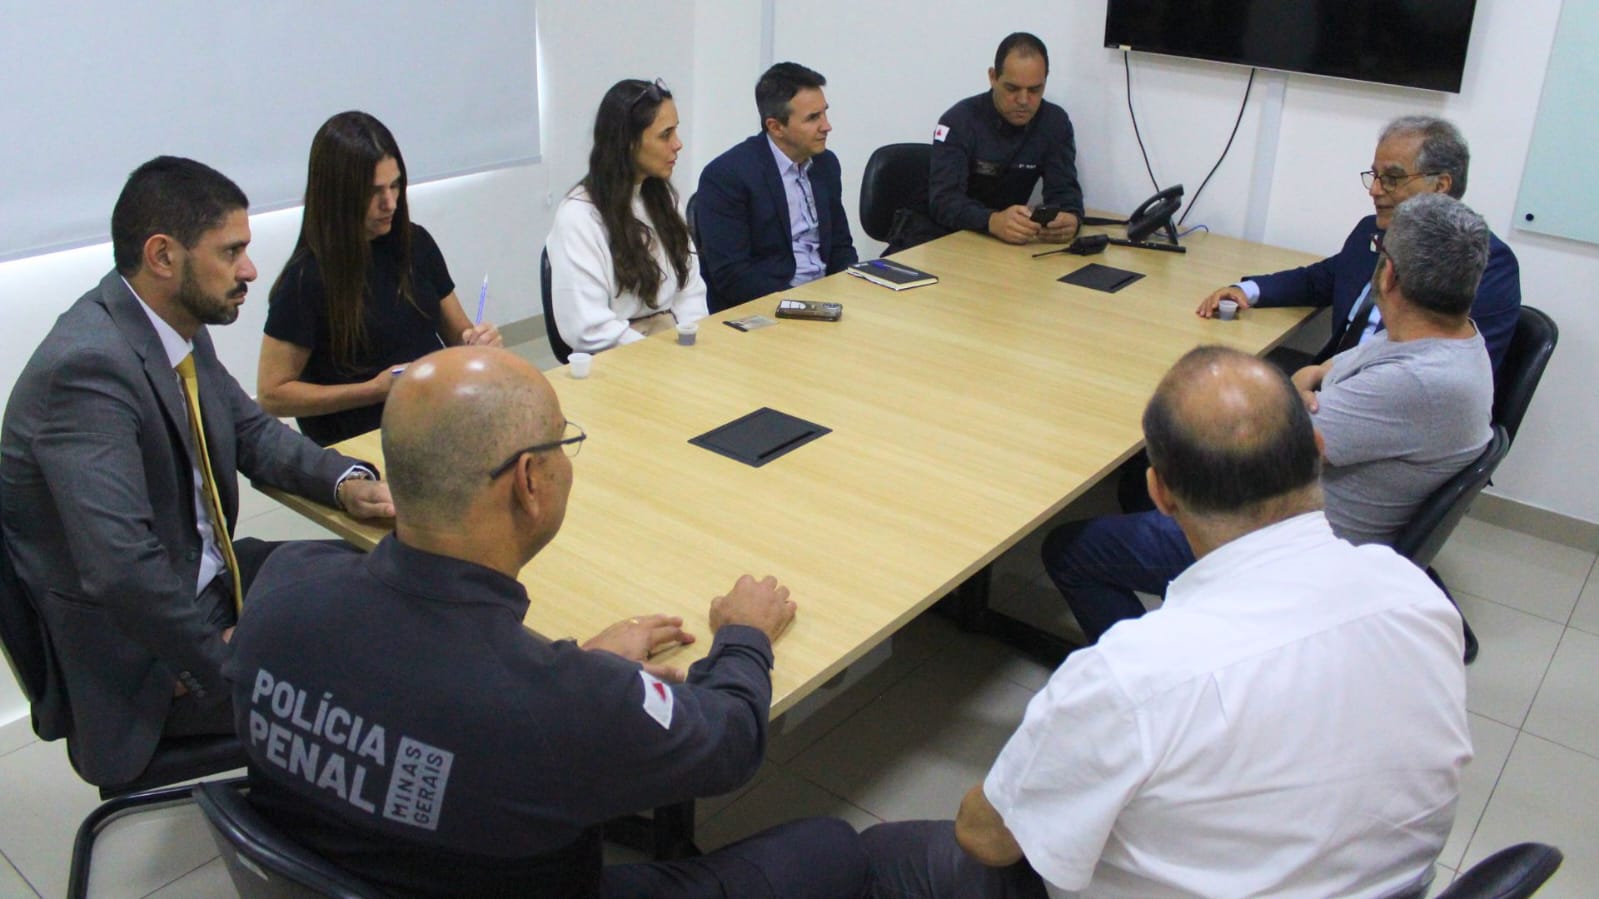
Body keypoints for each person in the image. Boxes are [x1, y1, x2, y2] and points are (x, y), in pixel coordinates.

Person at [226, 345, 868, 898]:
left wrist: (572, 666)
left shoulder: (282, 588)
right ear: (529, 482)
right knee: (833, 848)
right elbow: (733, 741)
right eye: (565, 444)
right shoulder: (563, 703)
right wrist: (744, 638)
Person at [863, 345, 1472, 899]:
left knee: (856, 858)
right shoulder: (1415, 596)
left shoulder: (1133, 678)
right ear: (1317, 450)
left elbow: (988, 837)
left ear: (1159, 493)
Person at [0, 157, 394, 787]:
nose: (249, 270)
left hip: (209, 581)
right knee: (375, 677)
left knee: (386, 580)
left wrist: (347, 481)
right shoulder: (83, 371)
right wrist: (224, 660)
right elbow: (121, 567)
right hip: (149, 665)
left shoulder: (171, 325)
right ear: (163, 256)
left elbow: (250, 430)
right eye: (231, 251)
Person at [1050, 192, 1495, 644]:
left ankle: (1158, 671)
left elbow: (1265, 454)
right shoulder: (1444, 336)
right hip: (1317, 517)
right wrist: (1303, 381)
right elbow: (1327, 371)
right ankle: (1199, 605)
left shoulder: (1415, 381)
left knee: (1072, 547)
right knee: (1136, 481)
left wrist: (1287, 387)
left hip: (1289, 547)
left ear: (1390, 275)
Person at [1197, 116, 1521, 371]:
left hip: (1388, 409)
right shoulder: (1373, 231)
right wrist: (1247, 291)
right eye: (1374, 176)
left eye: (1392, 178)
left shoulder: (1484, 263)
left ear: (1441, 186)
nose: (1375, 190)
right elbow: (1318, 280)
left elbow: (1451, 373)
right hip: (1329, 381)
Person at [258, 110, 502, 447]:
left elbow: (459, 335)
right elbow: (273, 394)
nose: (389, 203)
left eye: (396, 185)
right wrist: (373, 390)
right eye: (374, 192)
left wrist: (478, 341)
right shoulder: (306, 280)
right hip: (364, 440)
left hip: (434, 418)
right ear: (338, 195)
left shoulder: (415, 243)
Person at [546, 78, 709, 353]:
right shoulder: (580, 216)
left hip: (672, 340)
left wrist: (690, 340)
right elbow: (588, 326)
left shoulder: (664, 199)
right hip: (619, 354)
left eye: (676, 131)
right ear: (628, 143)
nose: (678, 144)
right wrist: (661, 354)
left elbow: (690, 290)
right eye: (665, 135)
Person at [893, 33, 1084, 253]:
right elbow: (944, 201)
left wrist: (1071, 219)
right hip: (935, 238)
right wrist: (992, 221)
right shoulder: (959, 121)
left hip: (999, 245)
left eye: (1034, 90)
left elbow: (1064, 189)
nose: (1023, 100)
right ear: (993, 77)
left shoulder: (1054, 123)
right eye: (1012, 89)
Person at [696, 62, 859, 311]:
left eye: (824, 112)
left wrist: (851, 290)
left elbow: (840, 246)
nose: (827, 126)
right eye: (813, 118)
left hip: (826, 298)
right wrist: (801, 305)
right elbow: (733, 276)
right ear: (775, 126)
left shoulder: (826, 164)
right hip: (769, 307)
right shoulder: (727, 176)